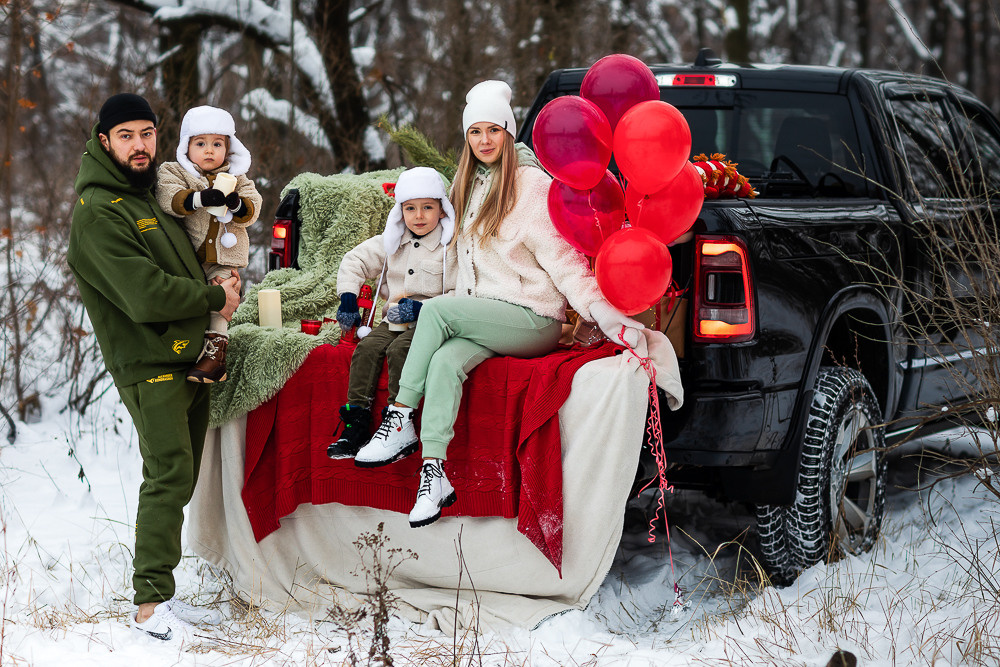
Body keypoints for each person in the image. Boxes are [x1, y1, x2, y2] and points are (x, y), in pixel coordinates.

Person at [354, 80, 643, 527]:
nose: (484, 141)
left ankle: (399, 417)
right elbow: (445, 255)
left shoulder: (530, 186)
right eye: (475, 132)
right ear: (467, 138)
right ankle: (435, 474)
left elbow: (564, 262)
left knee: (436, 313)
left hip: (532, 317)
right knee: (445, 363)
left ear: (509, 134)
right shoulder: (464, 186)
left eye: (493, 130)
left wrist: (601, 311)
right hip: (484, 313)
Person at [67, 93, 240, 641]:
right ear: (104, 142)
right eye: (126, 136)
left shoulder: (147, 197)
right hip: (148, 362)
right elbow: (143, 295)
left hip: (185, 356)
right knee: (167, 475)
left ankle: (161, 594)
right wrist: (215, 301)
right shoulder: (99, 212)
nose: (140, 145)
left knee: (180, 475)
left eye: (147, 133)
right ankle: (149, 604)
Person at [328, 167, 459, 459]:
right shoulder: (392, 241)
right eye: (410, 209)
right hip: (394, 318)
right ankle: (357, 421)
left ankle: (397, 420)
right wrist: (348, 297)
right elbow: (355, 260)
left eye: (428, 207)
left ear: (441, 210)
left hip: (430, 321)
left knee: (402, 350)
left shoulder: (449, 248)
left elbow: (460, 291)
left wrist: (424, 307)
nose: (419, 216)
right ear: (400, 211)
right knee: (367, 348)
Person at [156, 105, 263, 383]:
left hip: (223, 259)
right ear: (186, 145)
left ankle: (215, 356)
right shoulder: (176, 172)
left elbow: (253, 208)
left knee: (221, 297)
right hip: (186, 256)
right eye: (200, 143)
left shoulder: (238, 178)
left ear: (229, 148)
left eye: (217, 144)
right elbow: (169, 197)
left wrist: (237, 204)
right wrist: (201, 199)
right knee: (190, 303)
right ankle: (183, 350)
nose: (209, 150)